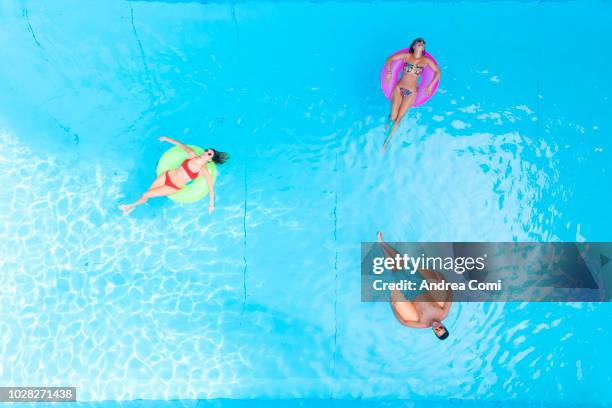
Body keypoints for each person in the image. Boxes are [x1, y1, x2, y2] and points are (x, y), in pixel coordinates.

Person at [119, 136, 228, 216]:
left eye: (209, 154)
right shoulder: (192, 154)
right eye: (206, 150)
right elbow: (180, 145)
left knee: (146, 194)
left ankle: (129, 206)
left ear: (210, 159)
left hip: (172, 187)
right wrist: (166, 139)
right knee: (146, 194)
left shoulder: (203, 170)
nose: (206, 152)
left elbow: (210, 187)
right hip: (166, 175)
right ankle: (131, 208)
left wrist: (211, 205)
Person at [377, 231, 451, 340]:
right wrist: (443, 281)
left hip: (409, 292)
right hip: (420, 285)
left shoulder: (422, 324)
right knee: (402, 262)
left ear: (434, 332)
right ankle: (383, 243)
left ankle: (382, 247)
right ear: (444, 326)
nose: (437, 328)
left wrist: (393, 305)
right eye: (441, 328)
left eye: (437, 331)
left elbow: (403, 322)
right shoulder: (443, 313)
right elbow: (449, 294)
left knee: (395, 269)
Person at [382, 38, 441, 152]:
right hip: (399, 88)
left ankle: (386, 142)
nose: (421, 44)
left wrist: (430, 85)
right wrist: (389, 72)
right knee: (393, 116)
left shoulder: (426, 61)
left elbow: (438, 72)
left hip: (411, 92)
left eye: (423, 44)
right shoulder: (407, 56)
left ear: (423, 48)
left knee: (399, 119)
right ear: (413, 46)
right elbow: (390, 59)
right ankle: (388, 120)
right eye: (418, 42)